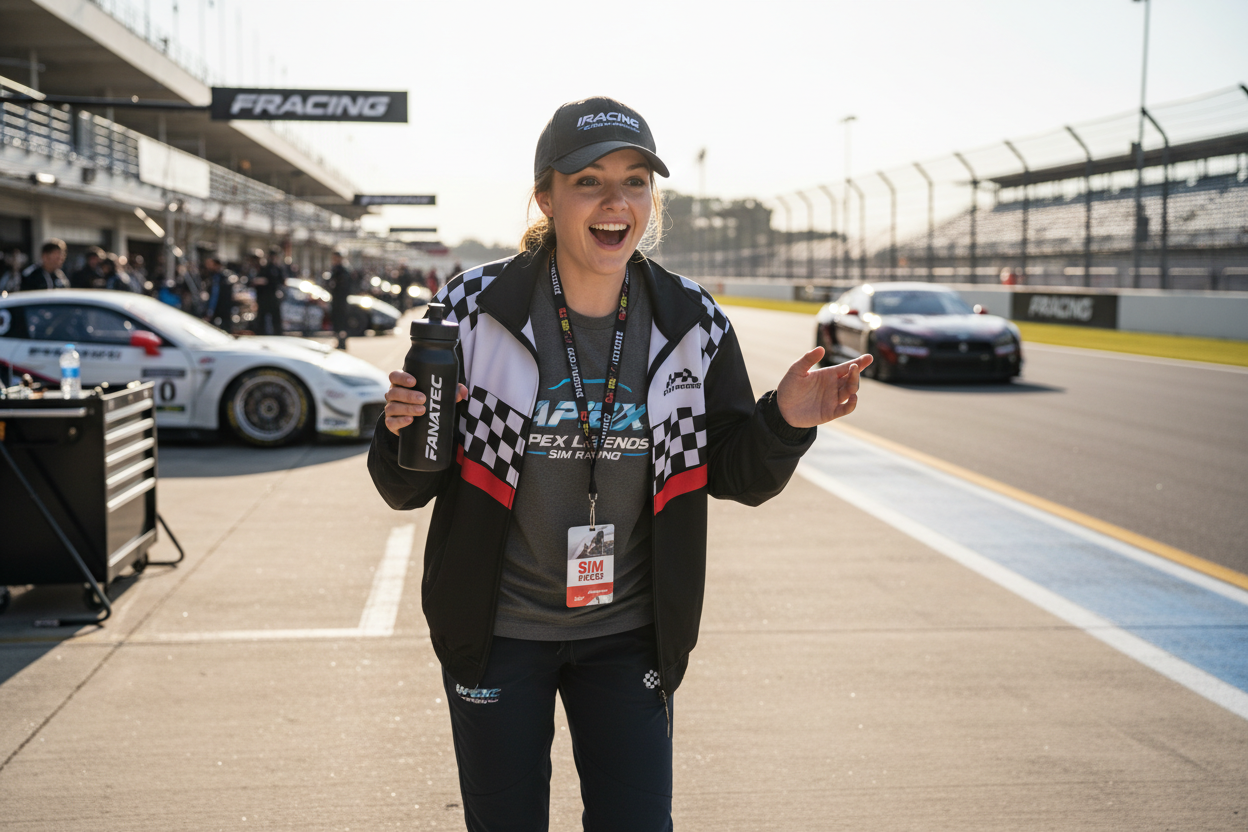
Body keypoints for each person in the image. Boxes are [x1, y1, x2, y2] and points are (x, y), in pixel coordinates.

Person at [368, 96, 871, 832]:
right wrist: (401, 430)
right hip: (499, 630)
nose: (616, 202)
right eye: (589, 181)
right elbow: (403, 483)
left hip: (630, 629)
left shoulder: (691, 321)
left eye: (635, 181)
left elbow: (734, 472)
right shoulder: (477, 306)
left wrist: (785, 421)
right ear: (546, 195)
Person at [252, 247, 285, 335]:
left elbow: (281, 282)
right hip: (263, 297)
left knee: (276, 319)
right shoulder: (265, 268)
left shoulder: (278, 269)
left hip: (273, 297)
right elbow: (256, 282)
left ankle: (278, 335)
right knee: (261, 319)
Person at [327, 250, 353, 350]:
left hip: (341, 301)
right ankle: (340, 341)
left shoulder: (343, 270)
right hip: (336, 300)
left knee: (341, 323)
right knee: (337, 323)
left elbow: (344, 286)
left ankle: (342, 342)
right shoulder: (336, 270)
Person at [203, 255, 234, 331]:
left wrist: (210, 312)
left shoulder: (220, 278)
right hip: (221, 310)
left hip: (221, 310)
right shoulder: (213, 276)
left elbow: (215, 295)